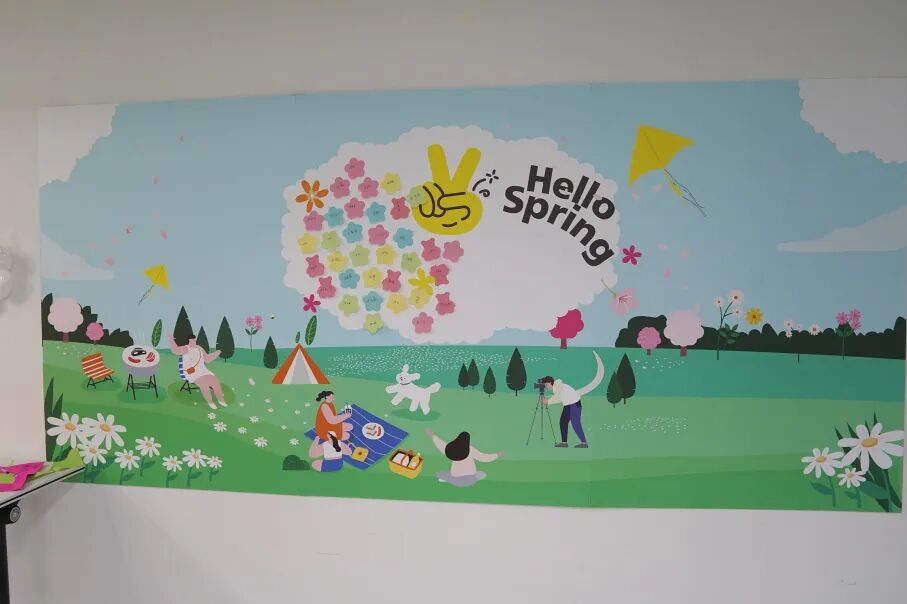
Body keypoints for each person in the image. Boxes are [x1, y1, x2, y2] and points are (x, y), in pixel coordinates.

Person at [541, 351, 604, 448]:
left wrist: (547, 401)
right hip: (570, 405)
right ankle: (565, 442)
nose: (546, 387)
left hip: (573, 405)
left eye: (546, 385)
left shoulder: (559, 387)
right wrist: (548, 401)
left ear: (549, 382)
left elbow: (558, 397)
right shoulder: (559, 386)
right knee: (563, 422)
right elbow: (559, 396)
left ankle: (583, 443)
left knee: (575, 424)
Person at [426, 428, 503, 488]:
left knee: (441, 474)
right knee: (482, 474)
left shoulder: (452, 449)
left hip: (456, 479)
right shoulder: (471, 449)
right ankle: (450, 479)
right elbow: (483, 457)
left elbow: (441, 445)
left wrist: (433, 435)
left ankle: (448, 479)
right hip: (471, 479)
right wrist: (497, 455)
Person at [169, 333, 226, 410]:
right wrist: (171, 340)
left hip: (203, 370)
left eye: (194, 339)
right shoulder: (186, 348)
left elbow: (207, 359)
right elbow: (176, 350)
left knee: (215, 381)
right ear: (189, 340)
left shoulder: (199, 348)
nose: (193, 341)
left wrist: (217, 353)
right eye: (191, 340)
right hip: (192, 372)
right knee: (204, 384)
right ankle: (210, 402)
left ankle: (221, 400)